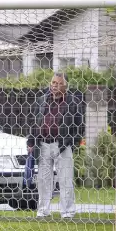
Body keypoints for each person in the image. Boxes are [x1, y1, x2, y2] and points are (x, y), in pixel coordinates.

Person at [27, 72, 84, 218]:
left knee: (65, 180)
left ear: (65, 86)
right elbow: (34, 122)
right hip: (44, 144)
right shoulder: (41, 101)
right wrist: (31, 142)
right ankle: (43, 211)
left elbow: (80, 125)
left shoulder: (73, 102)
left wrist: (72, 142)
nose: (55, 86)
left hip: (62, 145)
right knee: (43, 180)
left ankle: (67, 212)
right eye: (53, 83)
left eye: (59, 83)